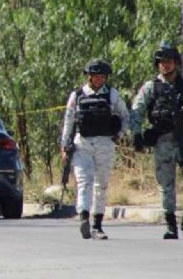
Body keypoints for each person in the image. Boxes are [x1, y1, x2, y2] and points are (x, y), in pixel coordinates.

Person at [129, 41, 183, 239]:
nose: (165, 65)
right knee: (166, 184)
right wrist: (136, 135)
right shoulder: (150, 88)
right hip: (163, 142)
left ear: (176, 63)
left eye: (169, 61)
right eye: (161, 62)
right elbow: (137, 111)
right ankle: (170, 225)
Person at [60, 59, 129, 240]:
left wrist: (119, 135)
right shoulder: (77, 95)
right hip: (82, 143)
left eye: (101, 76)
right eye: (94, 76)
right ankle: (84, 216)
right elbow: (68, 121)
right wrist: (64, 146)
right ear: (88, 77)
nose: (98, 79)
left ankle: (97, 225)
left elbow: (125, 117)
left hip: (105, 143)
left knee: (101, 184)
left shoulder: (112, 95)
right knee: (84, 181)